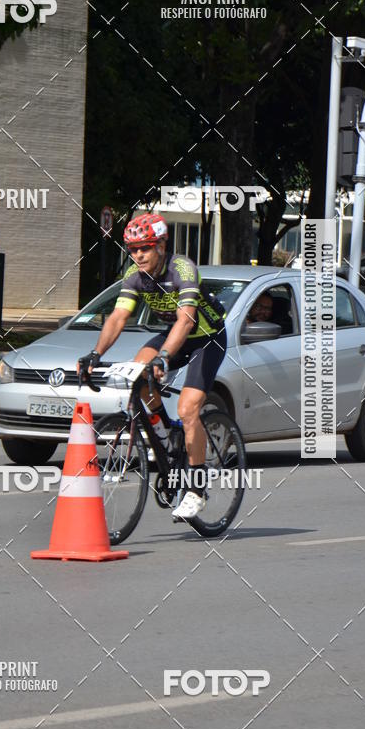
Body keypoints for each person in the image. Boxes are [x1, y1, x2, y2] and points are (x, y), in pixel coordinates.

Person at [77, 213, 227, 520]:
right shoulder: (135, 275)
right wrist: (95, 353)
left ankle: (196, 490)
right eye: (133, 249)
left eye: (144, 248)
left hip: (206, 337)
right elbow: (118, 317)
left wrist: (165, 356)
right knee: (138, 373)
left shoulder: (181, 269)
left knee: (188, 409)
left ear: (160, 245)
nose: (138, 255)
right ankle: (163, 434)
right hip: (174, 335)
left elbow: (187, 318)